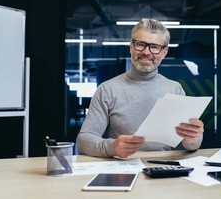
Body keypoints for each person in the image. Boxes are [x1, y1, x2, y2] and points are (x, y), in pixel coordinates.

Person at [76, 18, 204, 158]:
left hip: (164, 169)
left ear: (164, 52)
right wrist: (112, 147)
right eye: (141, 44)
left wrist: (193, 138)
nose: (146, 52)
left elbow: (191, 145)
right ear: (131, 46)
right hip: (121, 169)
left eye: (154, 47)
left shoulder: (175, 89)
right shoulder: (107, 89)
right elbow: (83, 142)